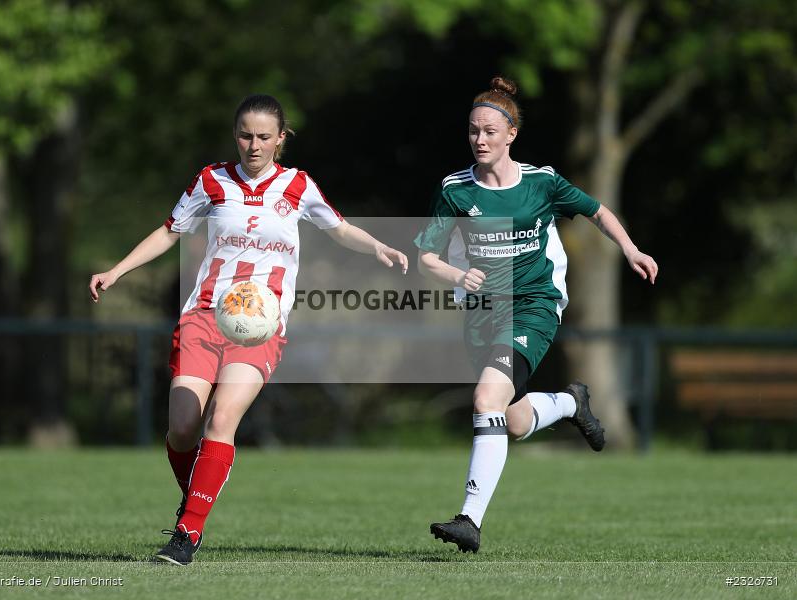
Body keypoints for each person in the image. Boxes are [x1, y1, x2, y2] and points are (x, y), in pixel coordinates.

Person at [89, 94, 408, 566]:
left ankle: (187, 535)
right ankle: (193, 498)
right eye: (245, 135)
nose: (253, 145)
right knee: (181, 429)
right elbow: (169, 231)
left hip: (260, 326)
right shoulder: (211, 180)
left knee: (222, 419)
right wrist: (116, 271)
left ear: (282, 139)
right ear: (234, 134)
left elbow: (338, 228)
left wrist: (376, 245)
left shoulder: (297, 186)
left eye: (263, 136)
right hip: (203, 316)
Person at [415, 76, 658, 553]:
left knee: (486, 398)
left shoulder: (541, 182)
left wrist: (629, 248)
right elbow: (426, 256)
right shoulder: (454, 190)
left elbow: (597, 210)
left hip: (534, 306)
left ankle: (470, 519)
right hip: (483, 313)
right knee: (512, 420)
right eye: (472, 131)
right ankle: (571, 403)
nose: (479, 140)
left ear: (511, 135)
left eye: (489, 131)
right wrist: (455, 276)